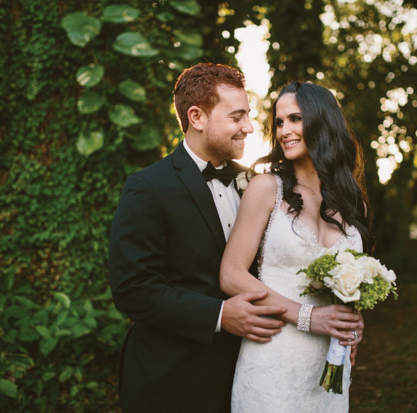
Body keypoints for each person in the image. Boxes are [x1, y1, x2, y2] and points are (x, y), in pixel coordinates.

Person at [108, 63, 289, 413]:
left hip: (252, 377)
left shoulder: (259, 185)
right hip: (173, 382)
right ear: (197, 117)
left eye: (248, 116)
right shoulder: (147, 187)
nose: (249, 127)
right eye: (237, 117)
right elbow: (133, 289)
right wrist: (218, 315)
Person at [220, 81, 373, 412]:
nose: (284, 131)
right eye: (278, 122)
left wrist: (352, 318)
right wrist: (308, 317)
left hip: (330, 364)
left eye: (295, 119)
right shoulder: (266, 189)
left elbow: (350, 280)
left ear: (321, 121)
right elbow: (231, 274)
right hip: (273, 359)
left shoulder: (350, 200)